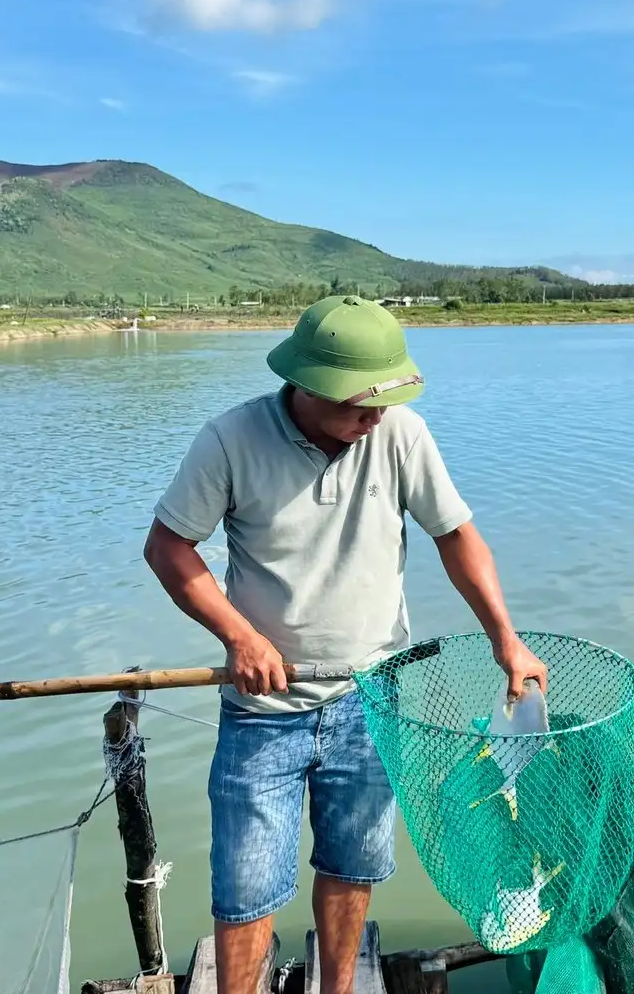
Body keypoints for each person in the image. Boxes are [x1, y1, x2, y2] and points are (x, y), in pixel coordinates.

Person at [144, 294, 547, 994]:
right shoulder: (231, 440)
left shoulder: (401, 436)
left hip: (370, 698)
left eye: (385, 402)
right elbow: (170, 547)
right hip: (263, 708)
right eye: (361, 404)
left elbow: (455, 537)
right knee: (245, 886)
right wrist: (239, 636)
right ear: (308, 386)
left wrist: (505, 640)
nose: (376, 418)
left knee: (353, 864)